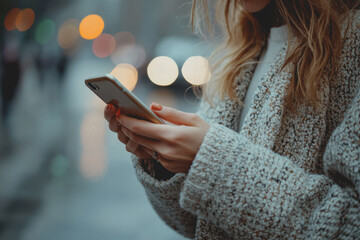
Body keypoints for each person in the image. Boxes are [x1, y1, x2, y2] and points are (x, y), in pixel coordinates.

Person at [104, 0, 360, 239]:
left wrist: (212, 163)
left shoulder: (351, 43)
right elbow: (198, 224)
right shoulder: (240, 50)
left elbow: (350, 224)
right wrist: (162, 162)